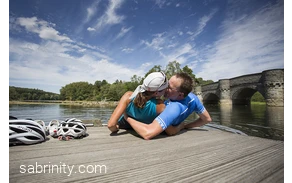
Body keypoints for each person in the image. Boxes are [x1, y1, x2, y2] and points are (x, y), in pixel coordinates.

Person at [123, 72, 212, 140]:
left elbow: (147, 133)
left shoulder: (174, 107)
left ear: (180, 94)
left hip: (142, 121)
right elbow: (207, 119)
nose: (165, 88)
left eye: (169, 87)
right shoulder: (193, 98)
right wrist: (185, 126)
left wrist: (127, 118)